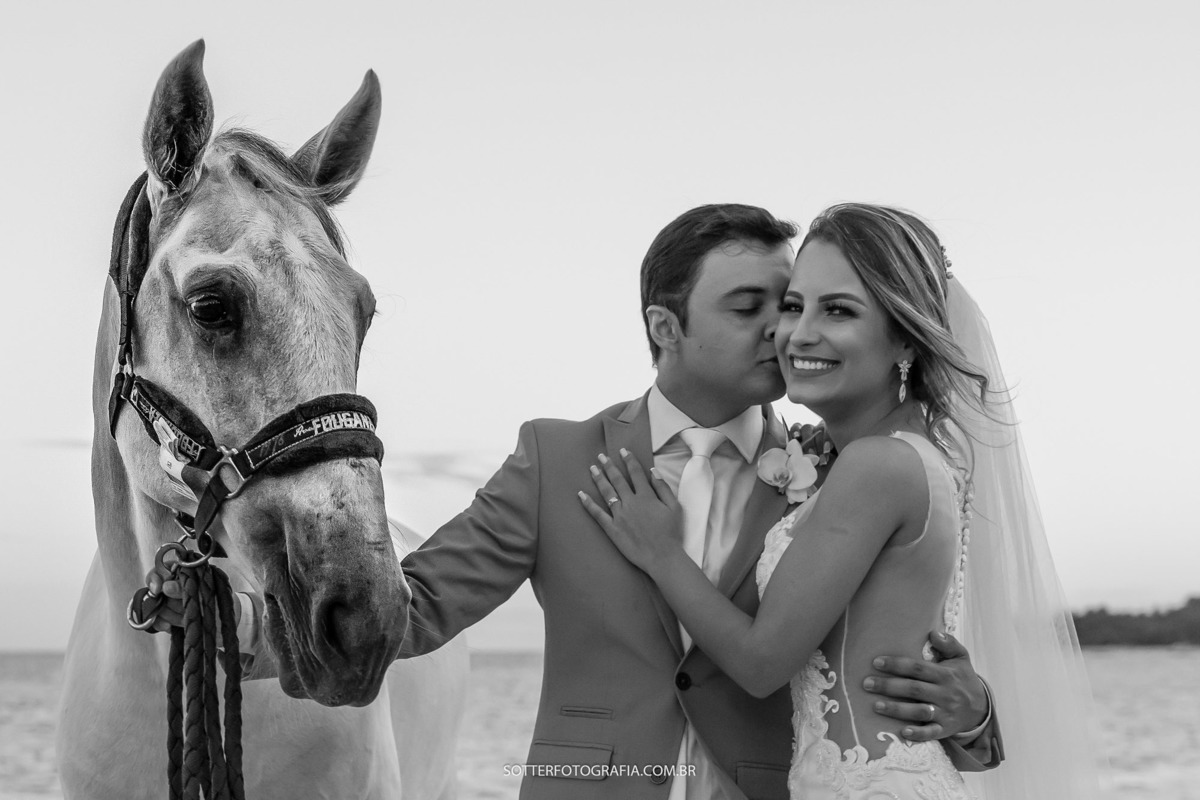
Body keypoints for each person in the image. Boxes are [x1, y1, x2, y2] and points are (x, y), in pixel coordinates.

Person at [153, 204, 1003, 799]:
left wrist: (975, 717)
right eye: (753, 308)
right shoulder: (558, 459)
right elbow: (421, 607)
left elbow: (893, 656)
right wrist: (240, 627)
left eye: (786, 306)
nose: (783, 332)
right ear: (666, 329)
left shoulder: (831, 469)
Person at [580, 204, 1097, 799]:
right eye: (794, 306)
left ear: (905, 336)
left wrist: (661, 552)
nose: (798, 334)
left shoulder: (877, 465)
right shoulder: (915, 455)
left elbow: (760, 661)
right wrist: (974, 711)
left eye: (840, 310)